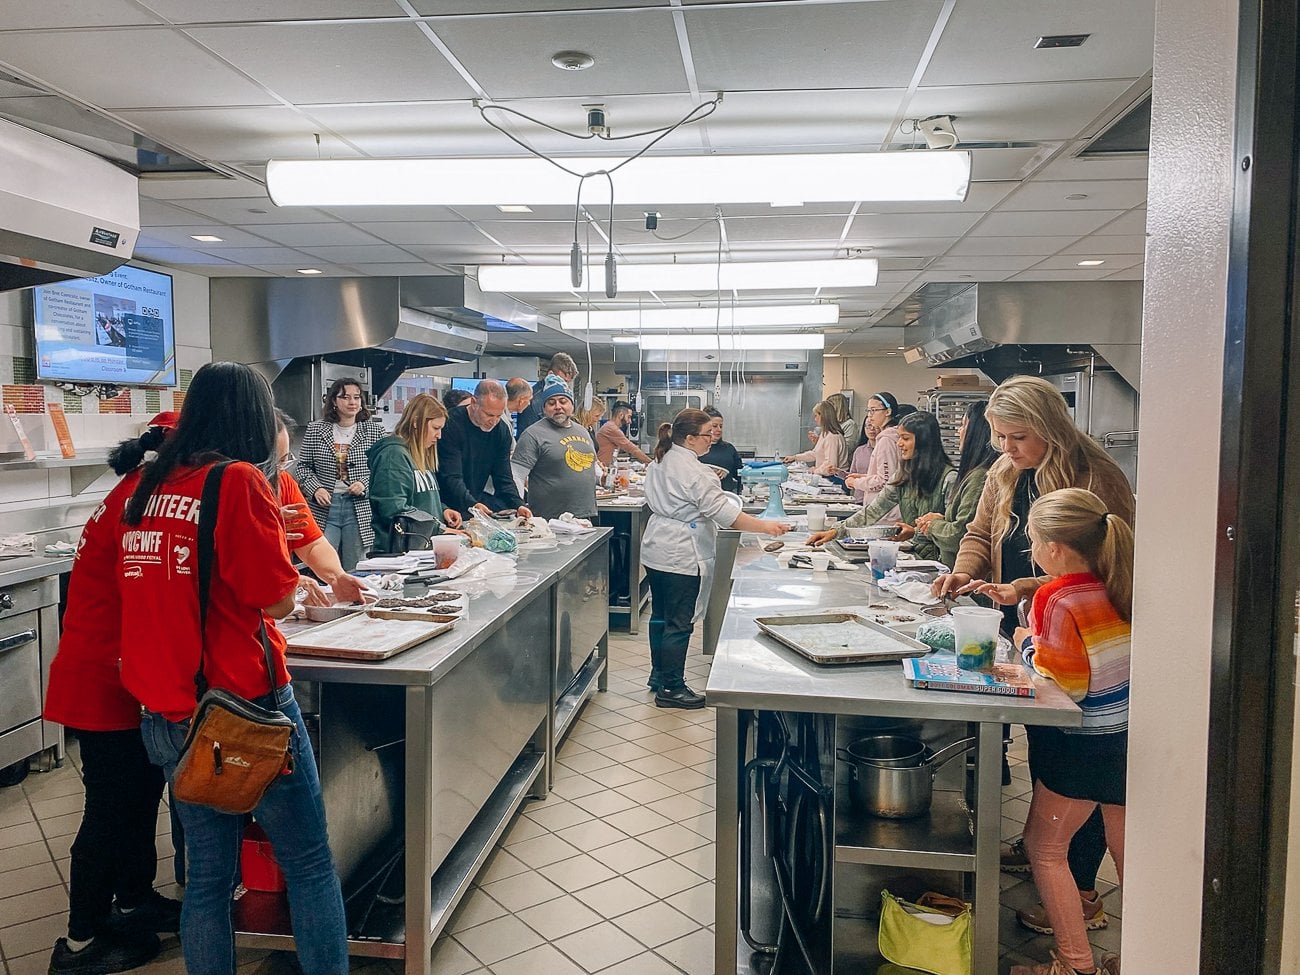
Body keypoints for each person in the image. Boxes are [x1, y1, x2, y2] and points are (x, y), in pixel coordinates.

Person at [115, 362, 347, 975]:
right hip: (244, 705)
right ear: (254, 417)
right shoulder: (238, 480)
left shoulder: (150, 484)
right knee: (309, 863)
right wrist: (294, 580)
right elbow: (274, 599)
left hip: (167, 708)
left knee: (209, 878)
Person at [931, 374, 1135, 936]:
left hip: (1075, 637)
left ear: (1050, 428)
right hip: (1028, 622)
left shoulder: (1095, 477)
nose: (1006, 448)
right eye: (999, 436)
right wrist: (964, 573)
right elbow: (979, 533)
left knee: (1076, 762)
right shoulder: (1004, 471)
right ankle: (1045, 847)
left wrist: (1025, 592)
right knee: (1045, 746)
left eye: (1017, 437)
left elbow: (1104, 566)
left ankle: (1082, 887)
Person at [42, 428, 184, 975]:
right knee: (110, 808)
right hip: (101, 680)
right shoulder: (144, 501)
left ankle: (133, 901)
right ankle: (81, 940)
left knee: (141, 796)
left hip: (124, 677)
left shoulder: (139, 488)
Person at [1006, 488, 1130, 975]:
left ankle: (1075, 964)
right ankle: (1142, 954)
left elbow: (1068, 682)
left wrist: (1026, 644)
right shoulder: (1120, 582)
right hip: (1126, 738)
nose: (1031, 550)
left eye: (1033, 541)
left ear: (1054, 548)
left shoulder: (1056, 597)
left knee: (1044, 847)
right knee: (1128, 852)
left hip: (1082, 745)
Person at [641, 410, 791, 709]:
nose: (712, 438)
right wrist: (765, 526)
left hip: (657, 547)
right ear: (690, 438)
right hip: (681, 552)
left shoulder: (662, 459)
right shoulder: (696, 472)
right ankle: (671, 688)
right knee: (679, 622)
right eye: (707, 434)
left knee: (660, 616)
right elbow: (725, 515)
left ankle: (659, 675)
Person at [809, 411, 954, 562]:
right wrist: (835, 531)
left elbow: (953, 532)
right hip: (914, 556)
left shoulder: (948, 479)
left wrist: (918, 531)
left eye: (905, 438)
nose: (899, 444)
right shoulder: (903, 475)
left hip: (941, 562)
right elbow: (874, 510)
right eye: (899, 438)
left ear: (924, 442)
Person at [274, 411, 368, 601]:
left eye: (283, 461)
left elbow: (312, 544)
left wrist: (337, 577)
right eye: (273, 463)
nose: (278, 470)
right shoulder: (227, 485)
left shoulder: (283, 482)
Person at [291, 377, 382, 571]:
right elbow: (303, 467)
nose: (352, 402)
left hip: (358, 508)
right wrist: (316, 489)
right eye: (345, 397)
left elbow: (382, 470)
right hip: (325, 507)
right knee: (322, 564)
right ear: (334, 400)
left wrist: (364, 483)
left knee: (356, 567)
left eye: (356, 397)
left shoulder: (374, 431)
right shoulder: (316, 429)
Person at [366, 394, 464, 553]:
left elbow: (421, 498)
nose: (439, 436)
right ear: (416, 422)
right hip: (399, 554)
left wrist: (442, 510)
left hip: (422, 550)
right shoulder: (394, 455)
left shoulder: (418, 454)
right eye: (436, 428)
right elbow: (394, 509)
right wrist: (439, 530)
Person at [914, 401, 1001, 570]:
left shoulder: (979, 477)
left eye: (963, 426)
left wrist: (933, 526)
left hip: (965, 574)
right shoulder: (973, 474)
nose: (958, 431)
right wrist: (941, 520)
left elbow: (960, 534)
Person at [436, 379, 533, 519]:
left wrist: (518, 504)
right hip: (445, 503)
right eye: (489, 415)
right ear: (473, 403)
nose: (493, 421)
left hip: (476, 498)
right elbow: (450, 476)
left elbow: (503, 477)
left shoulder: (501, 430)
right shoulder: (451, 424)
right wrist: (472, 503)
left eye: (499, 415)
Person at [512, 381, 598, 521]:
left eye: (563, 401)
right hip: (549, 519)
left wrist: (602, 478)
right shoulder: (533, 434)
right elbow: (517, 475)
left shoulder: (582, 431)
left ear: (572, 405)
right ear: (544, 408)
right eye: (551, 403)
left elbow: (591, 464)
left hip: (585, 515)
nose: (558, 407)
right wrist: (518, 505)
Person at [845, 392, 901, 505]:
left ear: (888, 412)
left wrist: (856, 483)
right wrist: (863, 477)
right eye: (868, 411)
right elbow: (889, 475)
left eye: (873, 410)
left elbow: (884, 481)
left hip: (884, 508)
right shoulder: (888, 436)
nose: (870, 415)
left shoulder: (887, 440)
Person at [517, 352, 579, 437]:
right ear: (550, 375)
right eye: (562, 381)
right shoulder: (533, 399)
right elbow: (526, 435)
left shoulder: (566, 396)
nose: (563, 385)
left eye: (566, 383)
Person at [783, 400, 849, 474]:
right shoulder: (825, 434)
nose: (815, 419)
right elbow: (814, 454)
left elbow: (830, 466)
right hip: (827, 475)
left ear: (823, 416)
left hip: (835, 478)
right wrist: (795, 458)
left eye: (816, 416)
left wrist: (815, 470)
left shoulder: (832, 437)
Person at [699, 407, 743, 494]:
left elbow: (739, 474)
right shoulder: (696, 449)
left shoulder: (729, 449)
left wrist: (727, 472)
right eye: (714, 426)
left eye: (721, 426)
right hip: (701, 496)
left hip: (726, 496)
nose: (719, 429)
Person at [596, 400, 651, 467]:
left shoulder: (610, 427)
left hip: (604, 468)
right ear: (621, 415)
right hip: (601, 469)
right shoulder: (611, 428)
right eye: (629, 417)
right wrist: (651, 463)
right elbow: (632, 448)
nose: (630, 421)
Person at [845, 414, 877, 501]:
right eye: (868, 425)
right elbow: (852, 474)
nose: (872, 429)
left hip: (876, 499)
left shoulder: (885, 450)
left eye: (875, 426)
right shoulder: (859, 450)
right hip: (859, 499)